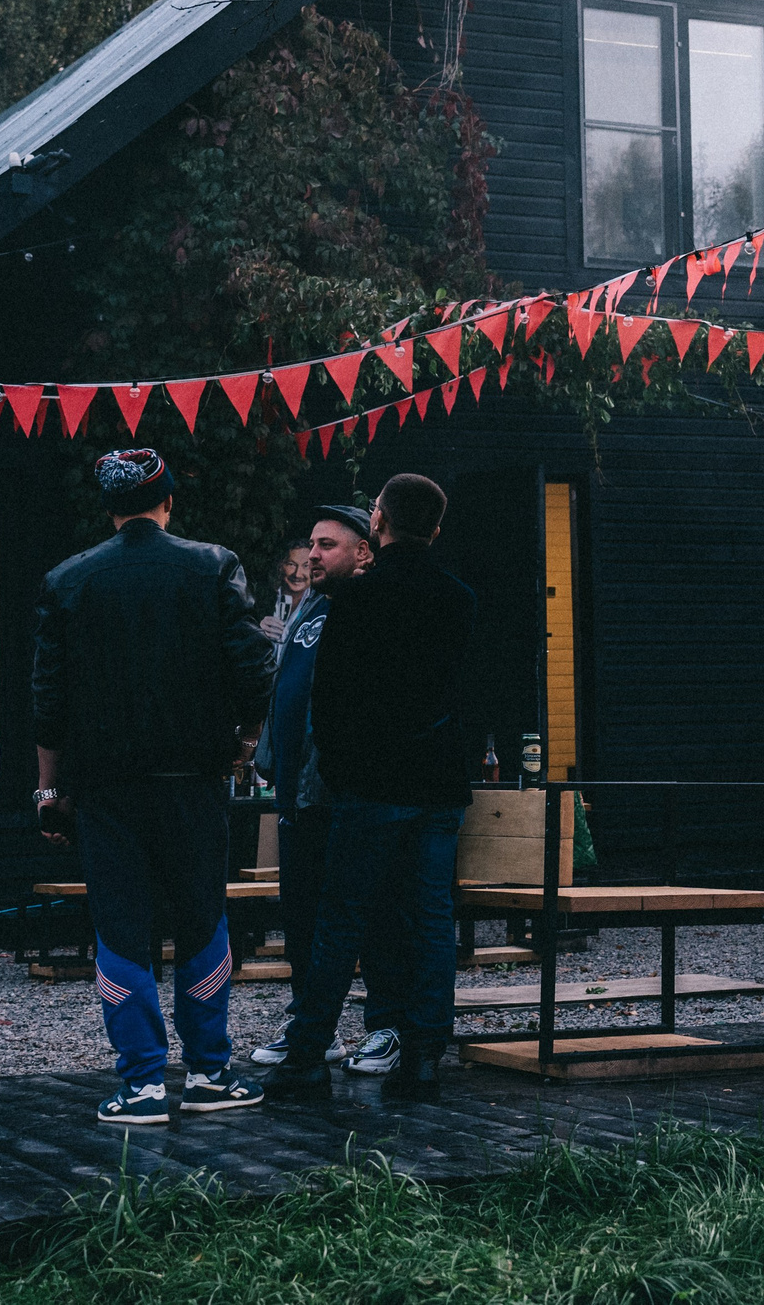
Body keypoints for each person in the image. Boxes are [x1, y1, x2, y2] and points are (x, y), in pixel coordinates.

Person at [31, 448, 277, 1124]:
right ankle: (207, 1072)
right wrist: (245, 745)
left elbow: (47, 701)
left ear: (111, 511)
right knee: (202, 919)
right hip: (194, 779)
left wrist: (49, 790)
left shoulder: (67, 580)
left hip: (106, 787)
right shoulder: (214, 565)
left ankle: (140, 1084)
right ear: (168, 501)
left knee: (120, 925)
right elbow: (257, 672)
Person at [267, 473, 475, 1103]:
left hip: (369, 788)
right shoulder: (459, 599)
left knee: (341, 917)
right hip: (439, 788)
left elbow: (329, 704)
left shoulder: (355, 600)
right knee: (431, 920)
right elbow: (474, 697)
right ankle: (423, 1058)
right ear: (435, 529)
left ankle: (306, 1057)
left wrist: (343, 771)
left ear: (378, 521)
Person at [244, 504, 379, 1070]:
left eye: (327, 545)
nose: (313, 556)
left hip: (342, 792)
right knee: (299, 915)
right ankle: (309, 1025)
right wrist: (269, 760)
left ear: (363, 553)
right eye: (313, 545)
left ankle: (384, 1027)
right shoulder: (310, 609)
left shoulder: (365, 605)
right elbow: (287, 690)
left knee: (358, 916)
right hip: (296, 792)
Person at [259, 540, 314, 640]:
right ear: (280, 566)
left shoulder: (319, 603)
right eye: (291, 564)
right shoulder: (260, 597)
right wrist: (257, 631)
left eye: (306, 566)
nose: (297, 574)